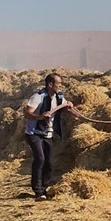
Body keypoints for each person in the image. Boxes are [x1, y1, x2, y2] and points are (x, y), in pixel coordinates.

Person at [23, 73, 73, 201]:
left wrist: (69, 105)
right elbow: (27, 113)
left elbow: (65, 105)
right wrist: (40, 117)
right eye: (58, 83)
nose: (60, 86)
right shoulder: (38, 97)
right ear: (50, 84)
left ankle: (44, 188)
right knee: (40, 159)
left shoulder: (59, 96)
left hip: (48, 134)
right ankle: (38, 191)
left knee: (49, 162)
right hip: (34, 133)